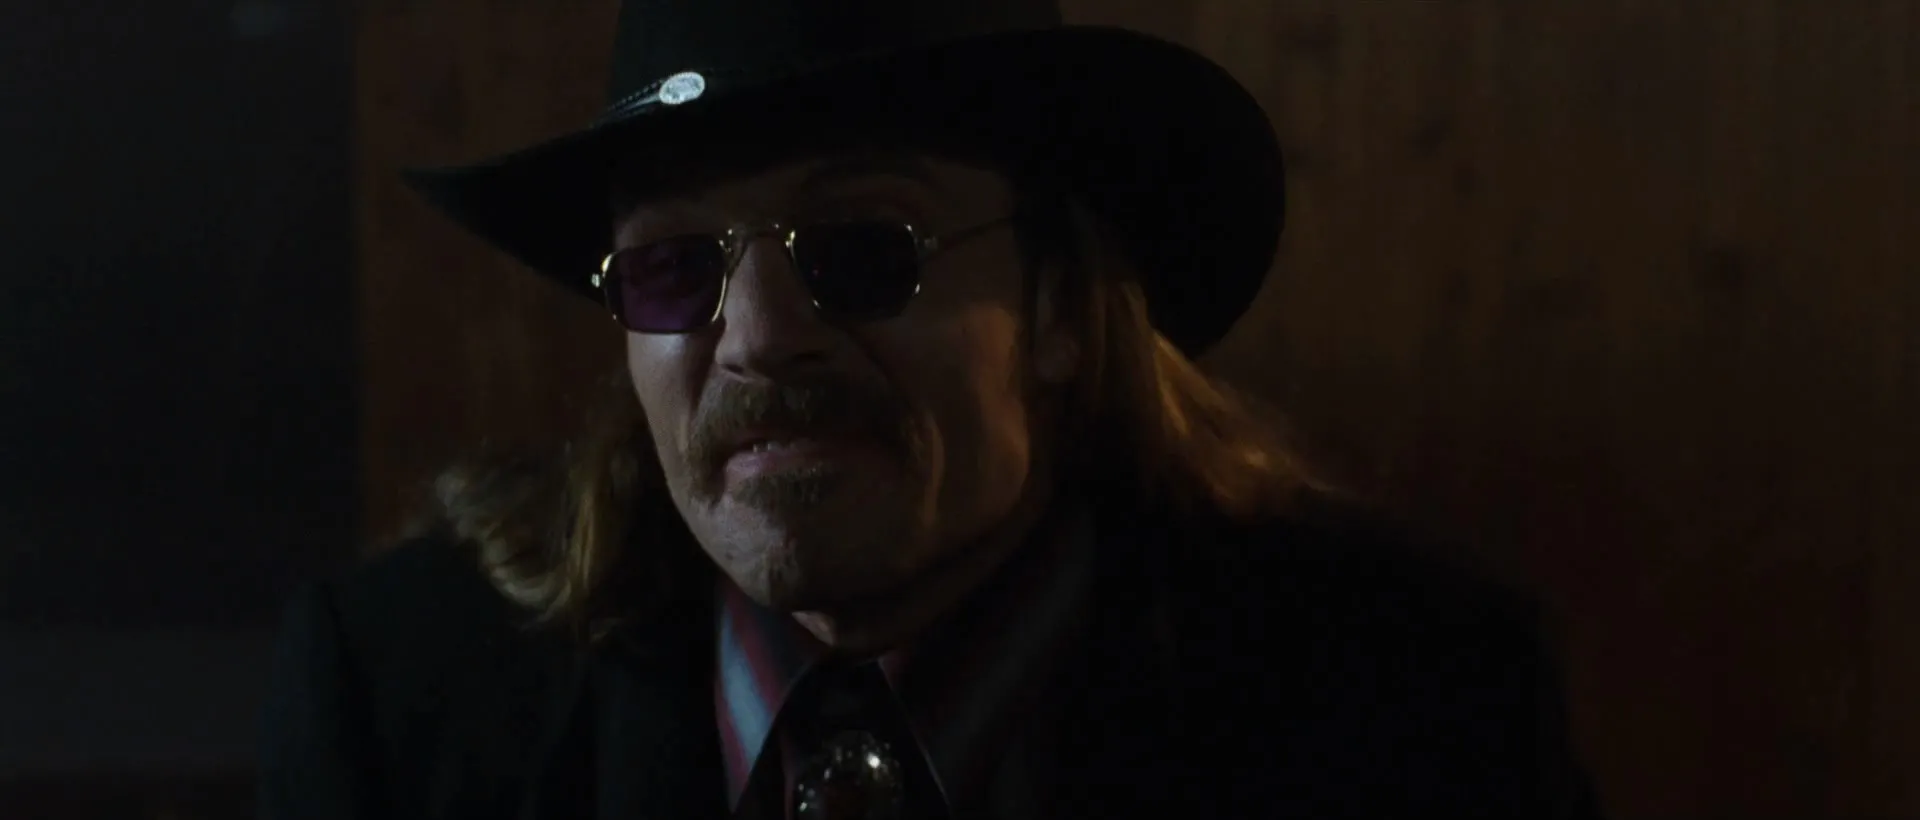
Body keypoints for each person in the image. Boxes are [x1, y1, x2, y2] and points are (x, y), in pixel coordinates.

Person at [259, 1, 1603, 818]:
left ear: (1061, 307)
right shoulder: (406, 706)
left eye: (864, 248)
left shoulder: (1411, 710)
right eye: (674, 268)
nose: (761, 338)